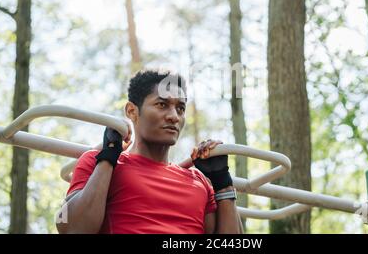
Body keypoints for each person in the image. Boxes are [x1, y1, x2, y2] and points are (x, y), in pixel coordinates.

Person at [56, 69, 243, 234]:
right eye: (162, 105)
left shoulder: (199, 181)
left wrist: (222, 183)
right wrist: (108, 156)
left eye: (180, 108)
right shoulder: (98, 162)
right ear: (132, 111)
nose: (173, 116)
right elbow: (73, 228)